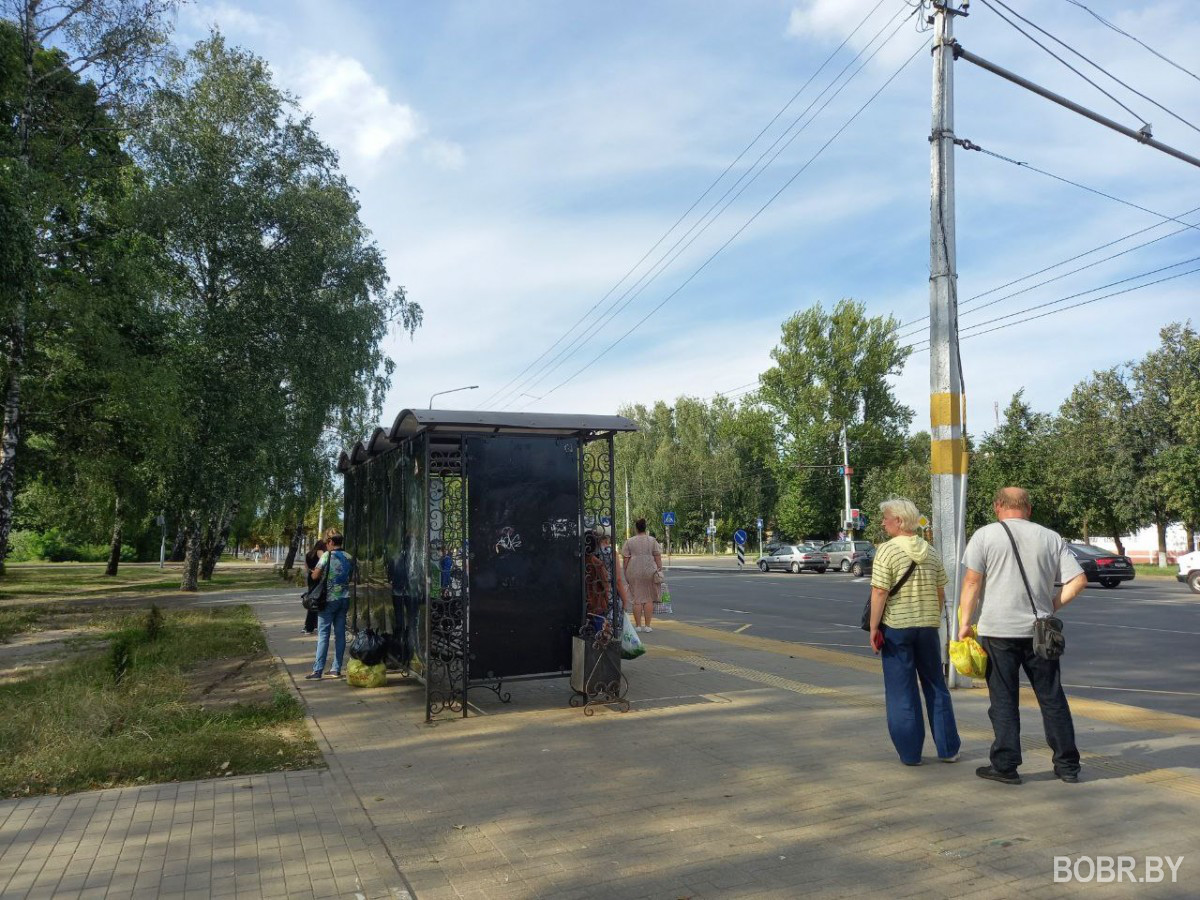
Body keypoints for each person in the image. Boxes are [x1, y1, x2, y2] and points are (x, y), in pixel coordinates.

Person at [958, 487, 1088, 785]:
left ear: (998, 506)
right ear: (1028, 508)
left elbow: (971, 583)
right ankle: (1068, 766)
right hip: (1041, 632)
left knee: (1003, 699)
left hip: (998, 632)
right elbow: (1078, 580)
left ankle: (1005, 766)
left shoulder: (985, 535)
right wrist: (1050, 606)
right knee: (1052, 697)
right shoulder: (1050, 537)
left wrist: (965, 623)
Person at [867, 498, 961, 766]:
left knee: (902, 691)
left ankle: (910, 754)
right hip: (928, 628)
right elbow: (940, 591)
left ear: (898, 520)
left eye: (886, 518)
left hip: (897, 628)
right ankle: (948, 749)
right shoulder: (930, 551)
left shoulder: (887, 550)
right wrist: (931, 615)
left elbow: (880, 591)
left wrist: (874, 627)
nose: (883, 522)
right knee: (936, 686)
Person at [306, 532, 355, 679]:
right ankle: (336, 669)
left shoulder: (327, 556)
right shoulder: (349, 557)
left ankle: (318, 670)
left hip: (328, 600)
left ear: (331, 543)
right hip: (344, 599)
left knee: (323, 634)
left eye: (328, 543)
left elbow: (315, 575)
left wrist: (315, 572)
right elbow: (350, 576)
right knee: (340, 634)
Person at [622, 518, 663, 633]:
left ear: (636, 528)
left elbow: (625, 559)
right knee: (649, 598)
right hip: (650, 570)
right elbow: (657, 557)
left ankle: (638, 626)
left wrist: (626, 571)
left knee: (637, 599)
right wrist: (659, 569)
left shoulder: (629, 541)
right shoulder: (652, 540)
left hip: (633, 570)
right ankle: (648, 626)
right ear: (645, 528)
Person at [301, 538, 328, 634]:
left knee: (313, 599)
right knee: (315, 600)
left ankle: (313, 625)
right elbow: (323, 564)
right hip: (318, 578)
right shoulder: (320, 553)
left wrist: (311, 572)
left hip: (311, 577)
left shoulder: (309, 554)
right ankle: (309, 626)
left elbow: (306, 567)